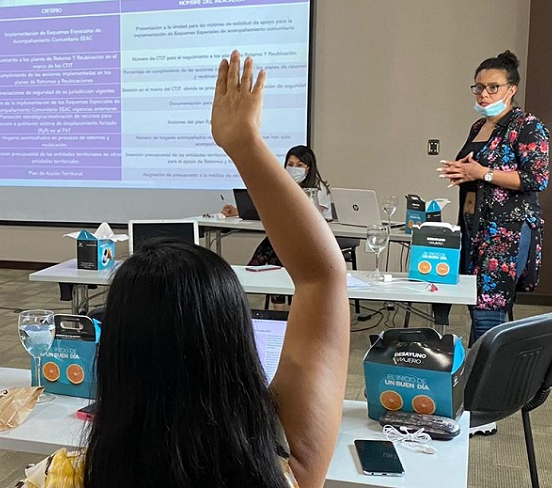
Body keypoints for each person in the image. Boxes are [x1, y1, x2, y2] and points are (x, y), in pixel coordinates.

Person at [18, 51, 350, 488]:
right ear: (235, 345)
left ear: (115, 356)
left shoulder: (60, 478)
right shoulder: (284, 471)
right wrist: (244, 143)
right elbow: (322, 277)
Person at [439, 51, 549, 435]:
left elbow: (536, 178)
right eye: (479, 87)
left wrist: (481, 173)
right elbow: (477, 171)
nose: (484, 94)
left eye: (493, 87)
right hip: (474, 228)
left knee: (488, 314)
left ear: (511, 89)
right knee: (477, 308)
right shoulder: (479, 125)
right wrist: (462, 173)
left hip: (507, 231)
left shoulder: (527, 126)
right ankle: (472, 400)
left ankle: (482, 412)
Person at [223, 145, 333, 307]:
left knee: (275, 255)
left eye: (299, 165)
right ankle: (250, 296)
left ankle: (262, 302)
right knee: (274, 256)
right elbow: (268, 208)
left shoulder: (318, 189)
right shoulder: (281, 185)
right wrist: (237, 211)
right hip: (285, 237)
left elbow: (312, 217)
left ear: (308, 168)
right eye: (290, 164)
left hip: (310, 241)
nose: (293, 168)